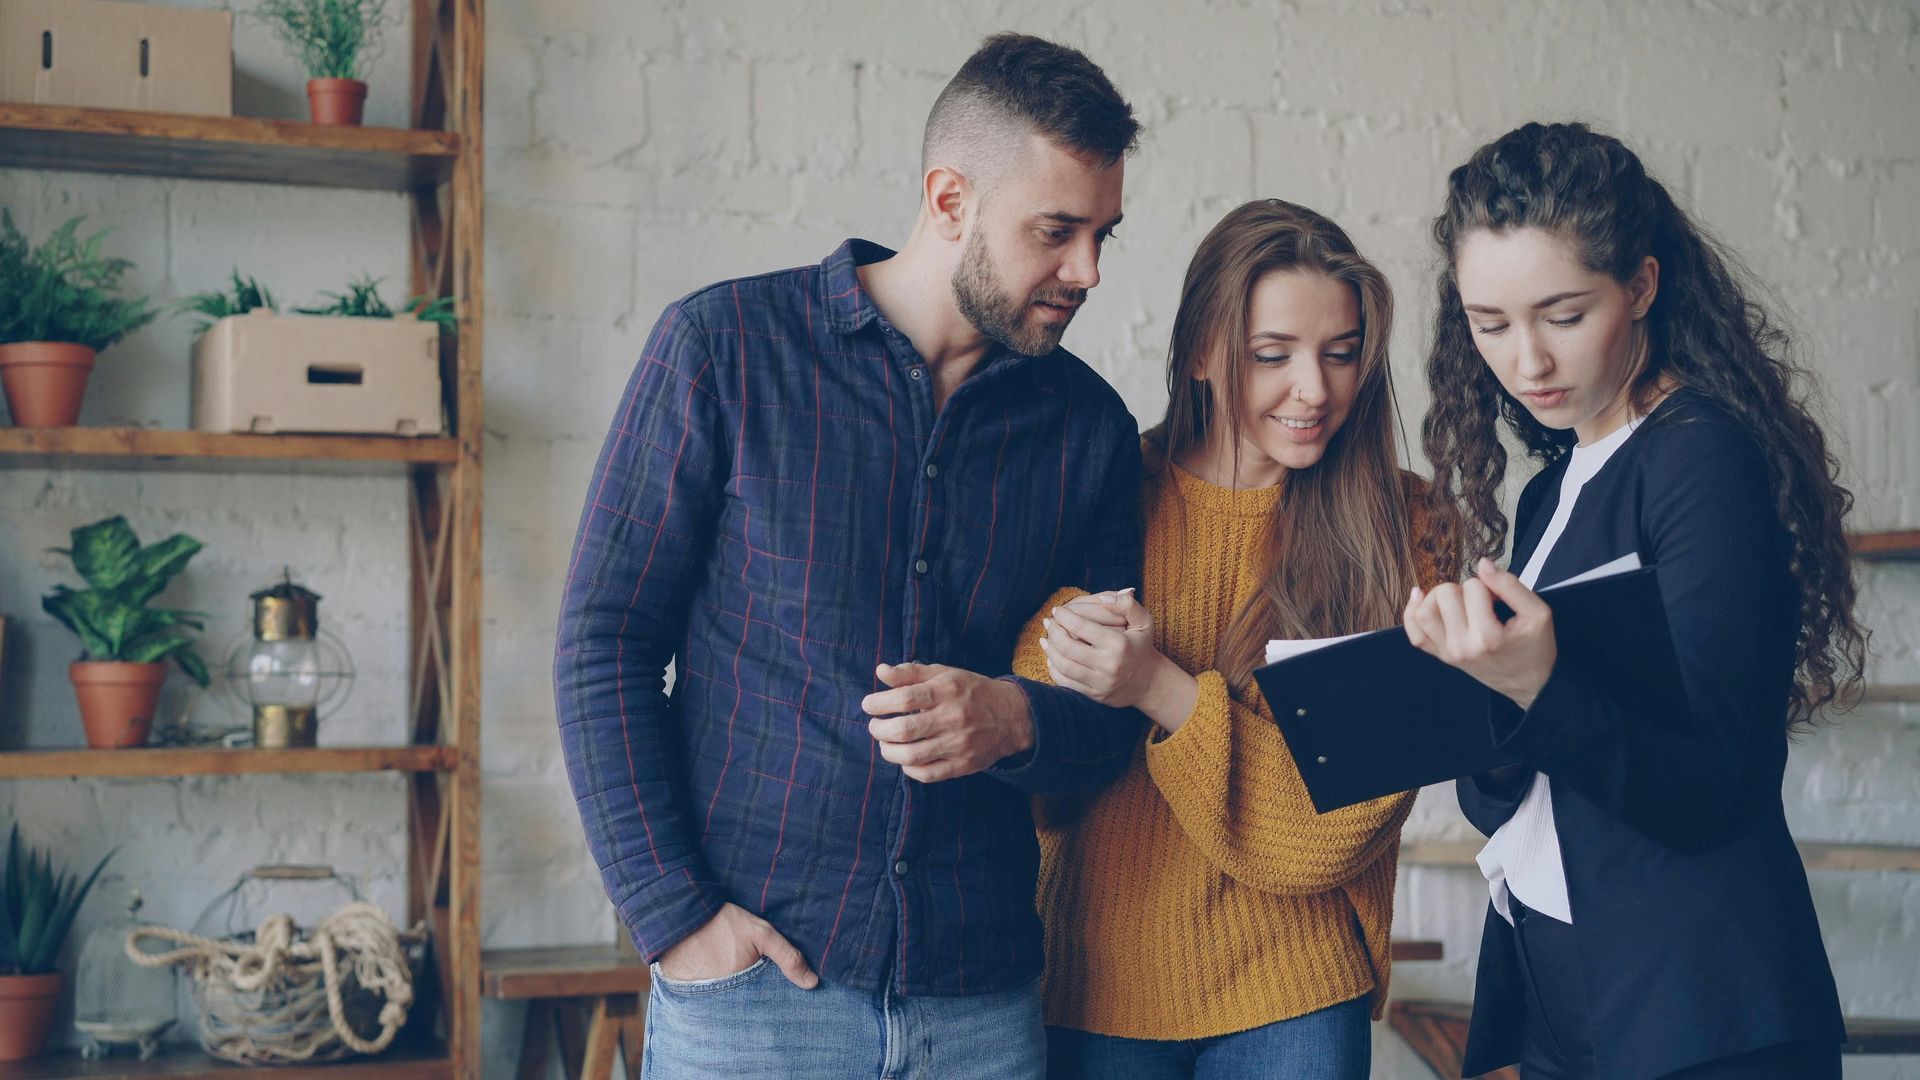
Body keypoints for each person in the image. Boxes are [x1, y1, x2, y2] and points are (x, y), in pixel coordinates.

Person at [552, 33, 1145, 1078]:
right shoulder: (723, 348)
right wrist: (677, 922)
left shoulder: (1088, 428)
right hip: (752, 999)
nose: (1086, 271)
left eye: (1103, 234)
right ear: (949, 199)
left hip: (985, 1007)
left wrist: (1015, 718)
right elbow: (605, 644)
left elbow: (1113, 723)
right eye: (1056, 231)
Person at [1409, 121, 1867, 1079]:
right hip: (1571, 1005)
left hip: (1698, 1015)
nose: (1525, 359)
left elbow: (1712, 788)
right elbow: (1508, 801)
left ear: (1643, 287)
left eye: (1563, 315)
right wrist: (1469, 691)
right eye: (1489, 323)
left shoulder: (1698, 459)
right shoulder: (1551, 486)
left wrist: (1538, 688)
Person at [1014, 199, 1438, 1080]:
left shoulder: (1407, 528)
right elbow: (1028, 749)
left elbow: (1334, 830)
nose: (1314, 389)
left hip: (1298, 996)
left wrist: (1158, 688)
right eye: (1272, 356)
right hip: (1093, 983)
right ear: (1204, 355)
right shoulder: (1099, 493)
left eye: (1341, 353)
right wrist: (1056, 647)